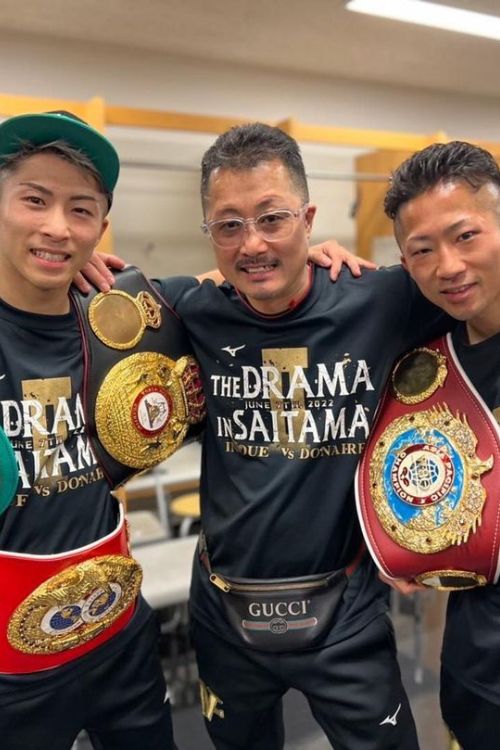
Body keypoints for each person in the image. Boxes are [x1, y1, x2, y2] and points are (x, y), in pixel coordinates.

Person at [145, 122, 453, 750]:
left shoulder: (380, 298)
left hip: (346, 608)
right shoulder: (190, 307)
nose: (252, 244)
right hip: (225, 608)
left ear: (309, 219)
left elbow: (479, 293)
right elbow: (84, 301)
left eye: (272, 218)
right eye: (228, 225)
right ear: (210, 233)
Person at [0, 110, 201, 750]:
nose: (57, 227)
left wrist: (316, 255)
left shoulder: (127, 315)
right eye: (35, 199)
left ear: (101, 228)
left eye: (80, 210)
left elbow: (245, 280)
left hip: (122, 643)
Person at [379, 140, 500, 750]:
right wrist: (408, 544)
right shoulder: (427, 361)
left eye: (466, 236)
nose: (446, 266)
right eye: (422, 251)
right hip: (477, 674)